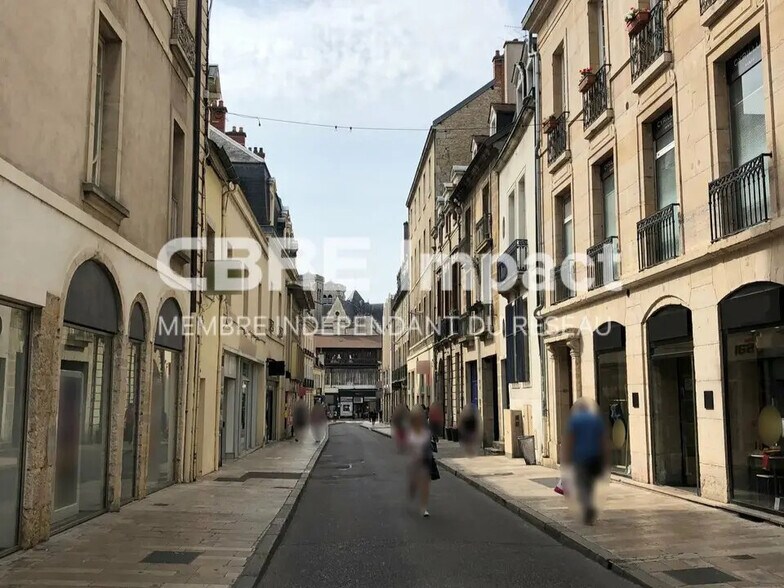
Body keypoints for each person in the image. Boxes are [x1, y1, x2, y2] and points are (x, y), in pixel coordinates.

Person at [563, 397, 610, 525]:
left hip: (580, 458)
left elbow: (570, 440)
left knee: (581, 485)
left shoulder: (575, 421)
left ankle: (588, 507)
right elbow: (603, 440)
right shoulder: (596, 420)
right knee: (591, 484)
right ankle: (590, 504)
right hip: (595, 457)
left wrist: (566, 459)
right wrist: (606, 458)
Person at [407, 406, 437, 517]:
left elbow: (430, 441)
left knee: (425, 485)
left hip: (425, 459)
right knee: (415, 483)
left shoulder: (426, 428)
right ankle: (412, 492)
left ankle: (424, 507)